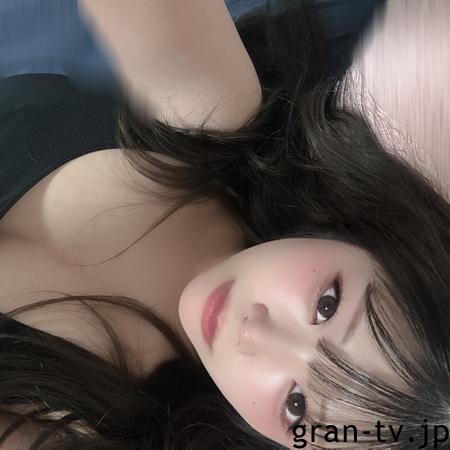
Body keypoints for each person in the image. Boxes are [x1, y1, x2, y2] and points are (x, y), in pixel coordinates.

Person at [0, 0, 449, 448]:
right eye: (327, 307)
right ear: (377, 240)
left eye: (296, 405)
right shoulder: (227, 130)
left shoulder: (83, 429)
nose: (255, 334)